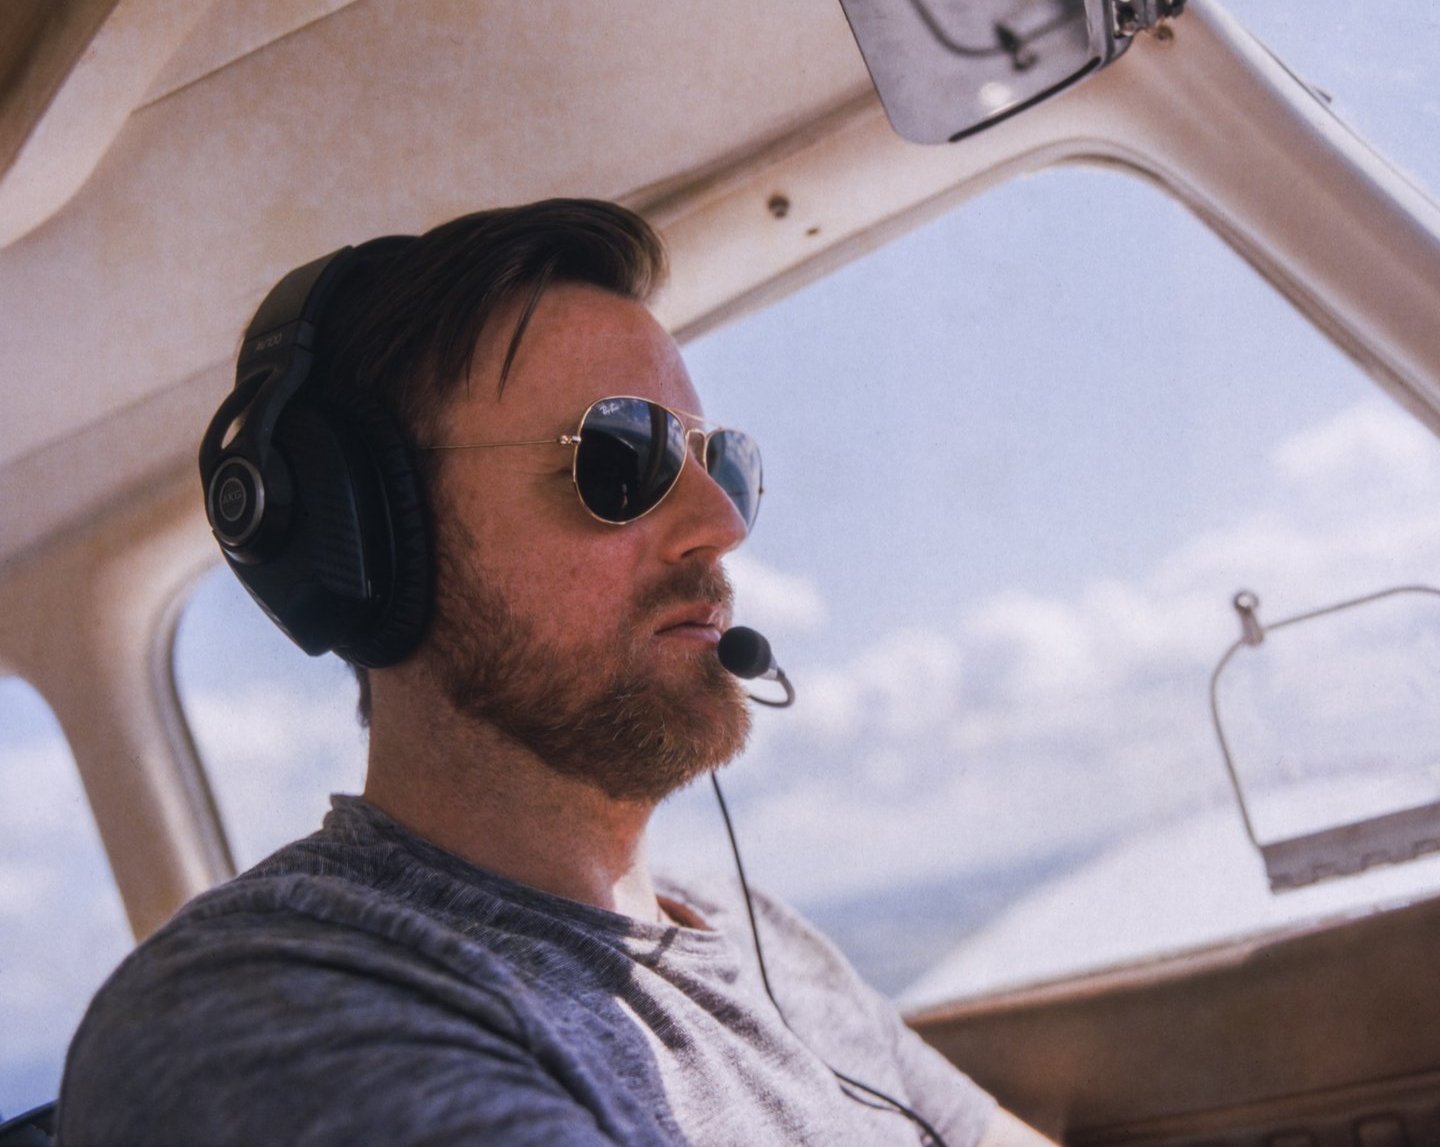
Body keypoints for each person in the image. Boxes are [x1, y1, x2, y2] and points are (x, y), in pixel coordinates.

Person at [57, 200, 1052, 1146]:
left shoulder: (761, 936)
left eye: (720, 461)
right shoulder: (262, 1012)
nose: (723, 523)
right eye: (621, 455)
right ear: (372, 539)